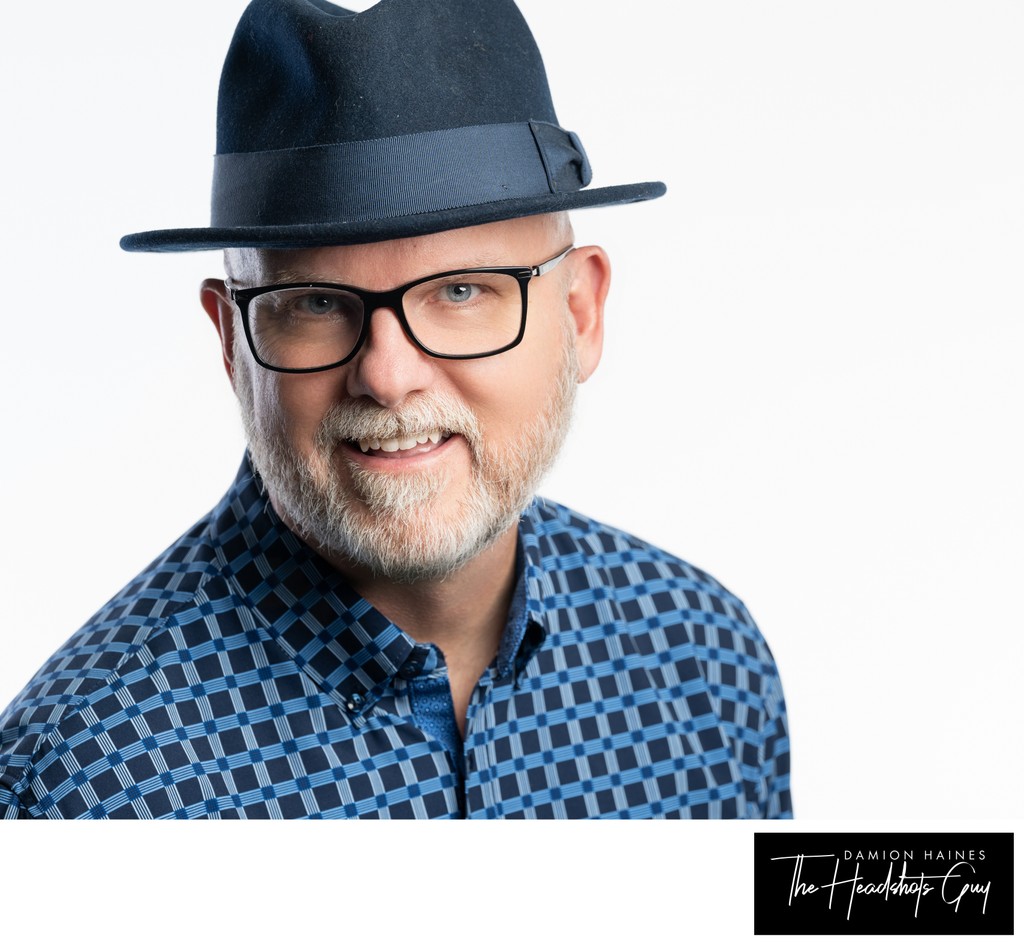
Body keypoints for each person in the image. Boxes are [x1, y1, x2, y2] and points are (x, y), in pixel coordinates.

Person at [0, 0, 791, 819]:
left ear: (580, 313)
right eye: (313, 303)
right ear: (231, 342)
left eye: (461, 291)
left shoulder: (708, 672)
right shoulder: (83, 789)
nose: (387, 374)